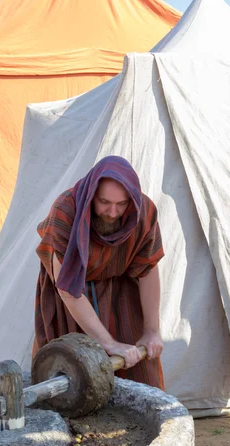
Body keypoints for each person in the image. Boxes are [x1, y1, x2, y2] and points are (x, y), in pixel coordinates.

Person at [34, 155, 165, 389]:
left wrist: (151, 331)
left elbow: (147, 269)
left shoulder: (143, 211)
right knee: (75, 380)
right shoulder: (66, 211)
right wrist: (108, 343)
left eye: (121, 204)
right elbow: (68, 289)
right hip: (74, 297)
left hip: (122, 293)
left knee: (141, 374)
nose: (113, 212)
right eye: (104, 202)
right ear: (92, 194)